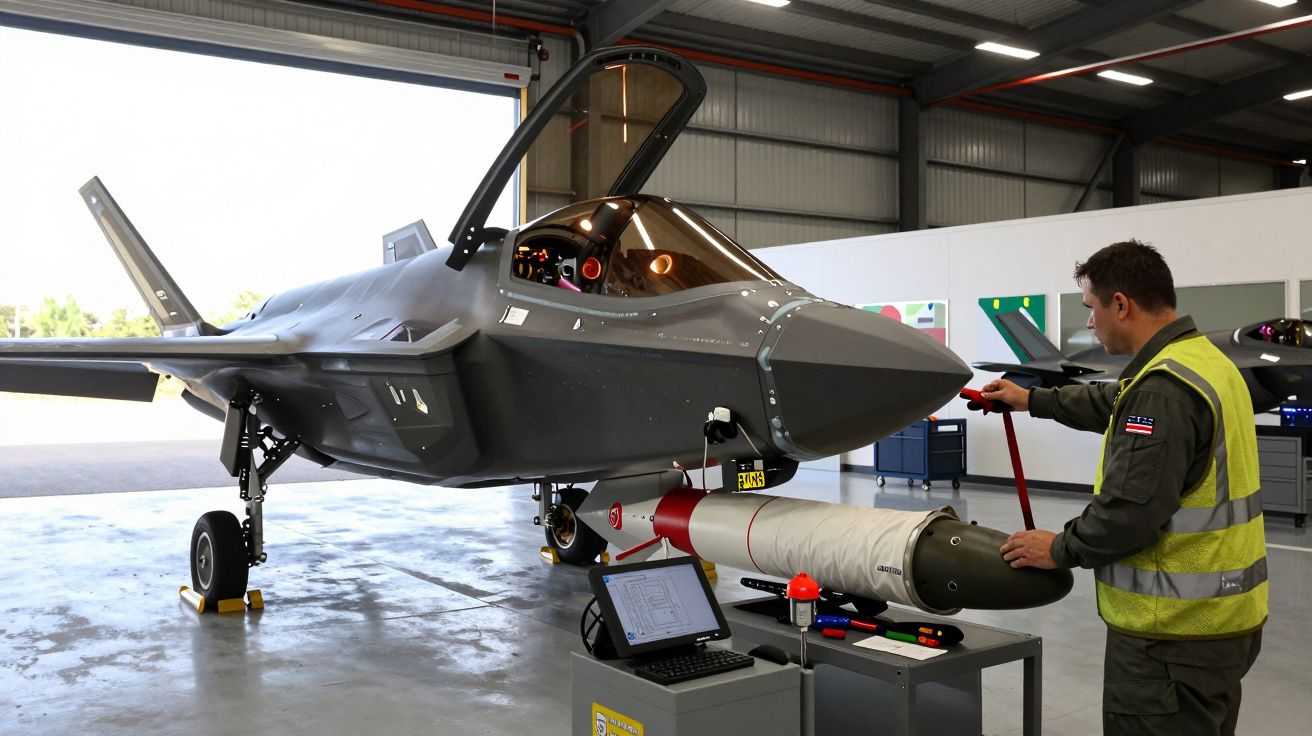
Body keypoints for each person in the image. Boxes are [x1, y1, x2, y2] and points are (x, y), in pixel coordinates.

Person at [981, 240, 1266, 736]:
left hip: (1170, 638)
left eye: (1091, 307)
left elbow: (1129, 513)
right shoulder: (1204, 363)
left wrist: (1060, 547)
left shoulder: (1161, 390)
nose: (1089, 321)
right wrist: (1031, 399)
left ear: (1120, 305)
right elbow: (1113, 401)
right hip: (1225, 622)